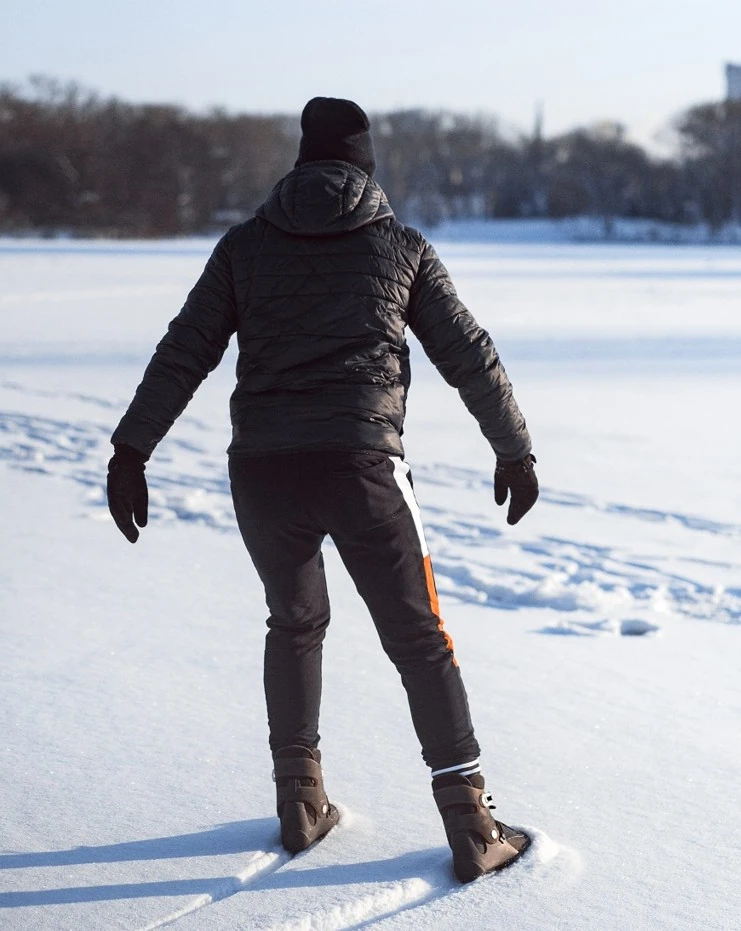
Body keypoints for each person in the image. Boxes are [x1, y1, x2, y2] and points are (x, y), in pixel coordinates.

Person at [107, 97, 539, 882]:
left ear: (301, 163)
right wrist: (514, 450)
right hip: (361, 465)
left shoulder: (245, 246)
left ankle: (299, 800)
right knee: (419, 637)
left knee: (294, 622)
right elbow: (469, 353)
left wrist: (131, 448)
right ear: (365, 167)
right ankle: (472, 821)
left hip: (264, 472)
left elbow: (185, 349)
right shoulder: (400, 246)